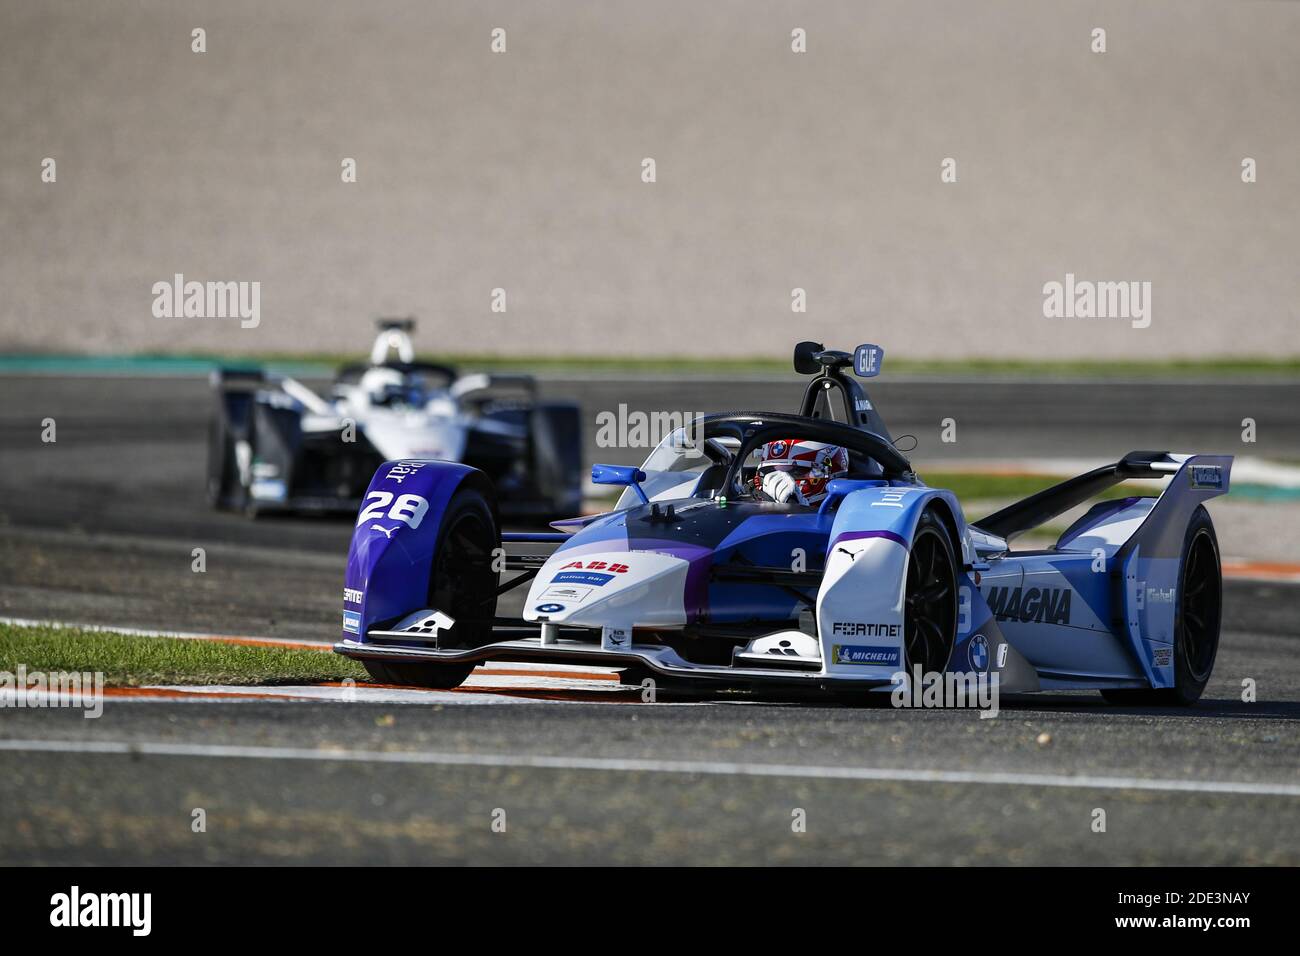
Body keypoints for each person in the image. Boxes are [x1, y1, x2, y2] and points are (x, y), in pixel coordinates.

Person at [753, 438, 848, 505]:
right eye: (769, 472)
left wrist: (798, 511)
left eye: (796, 472)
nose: (778, 479)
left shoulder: (847, 517)